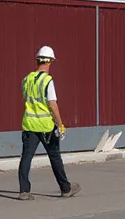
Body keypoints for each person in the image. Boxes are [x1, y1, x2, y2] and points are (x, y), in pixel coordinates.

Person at [18, 45, 80, 200]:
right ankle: (66, 189)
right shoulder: (47, 81)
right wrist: (60, 124)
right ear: (50, 61)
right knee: (55, 157)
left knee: (26, 157)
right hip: (46, 126)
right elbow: (52, 104)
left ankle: (24, 191)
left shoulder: (27, 79)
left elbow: (26, 99)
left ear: (37, 60)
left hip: (30, 125)